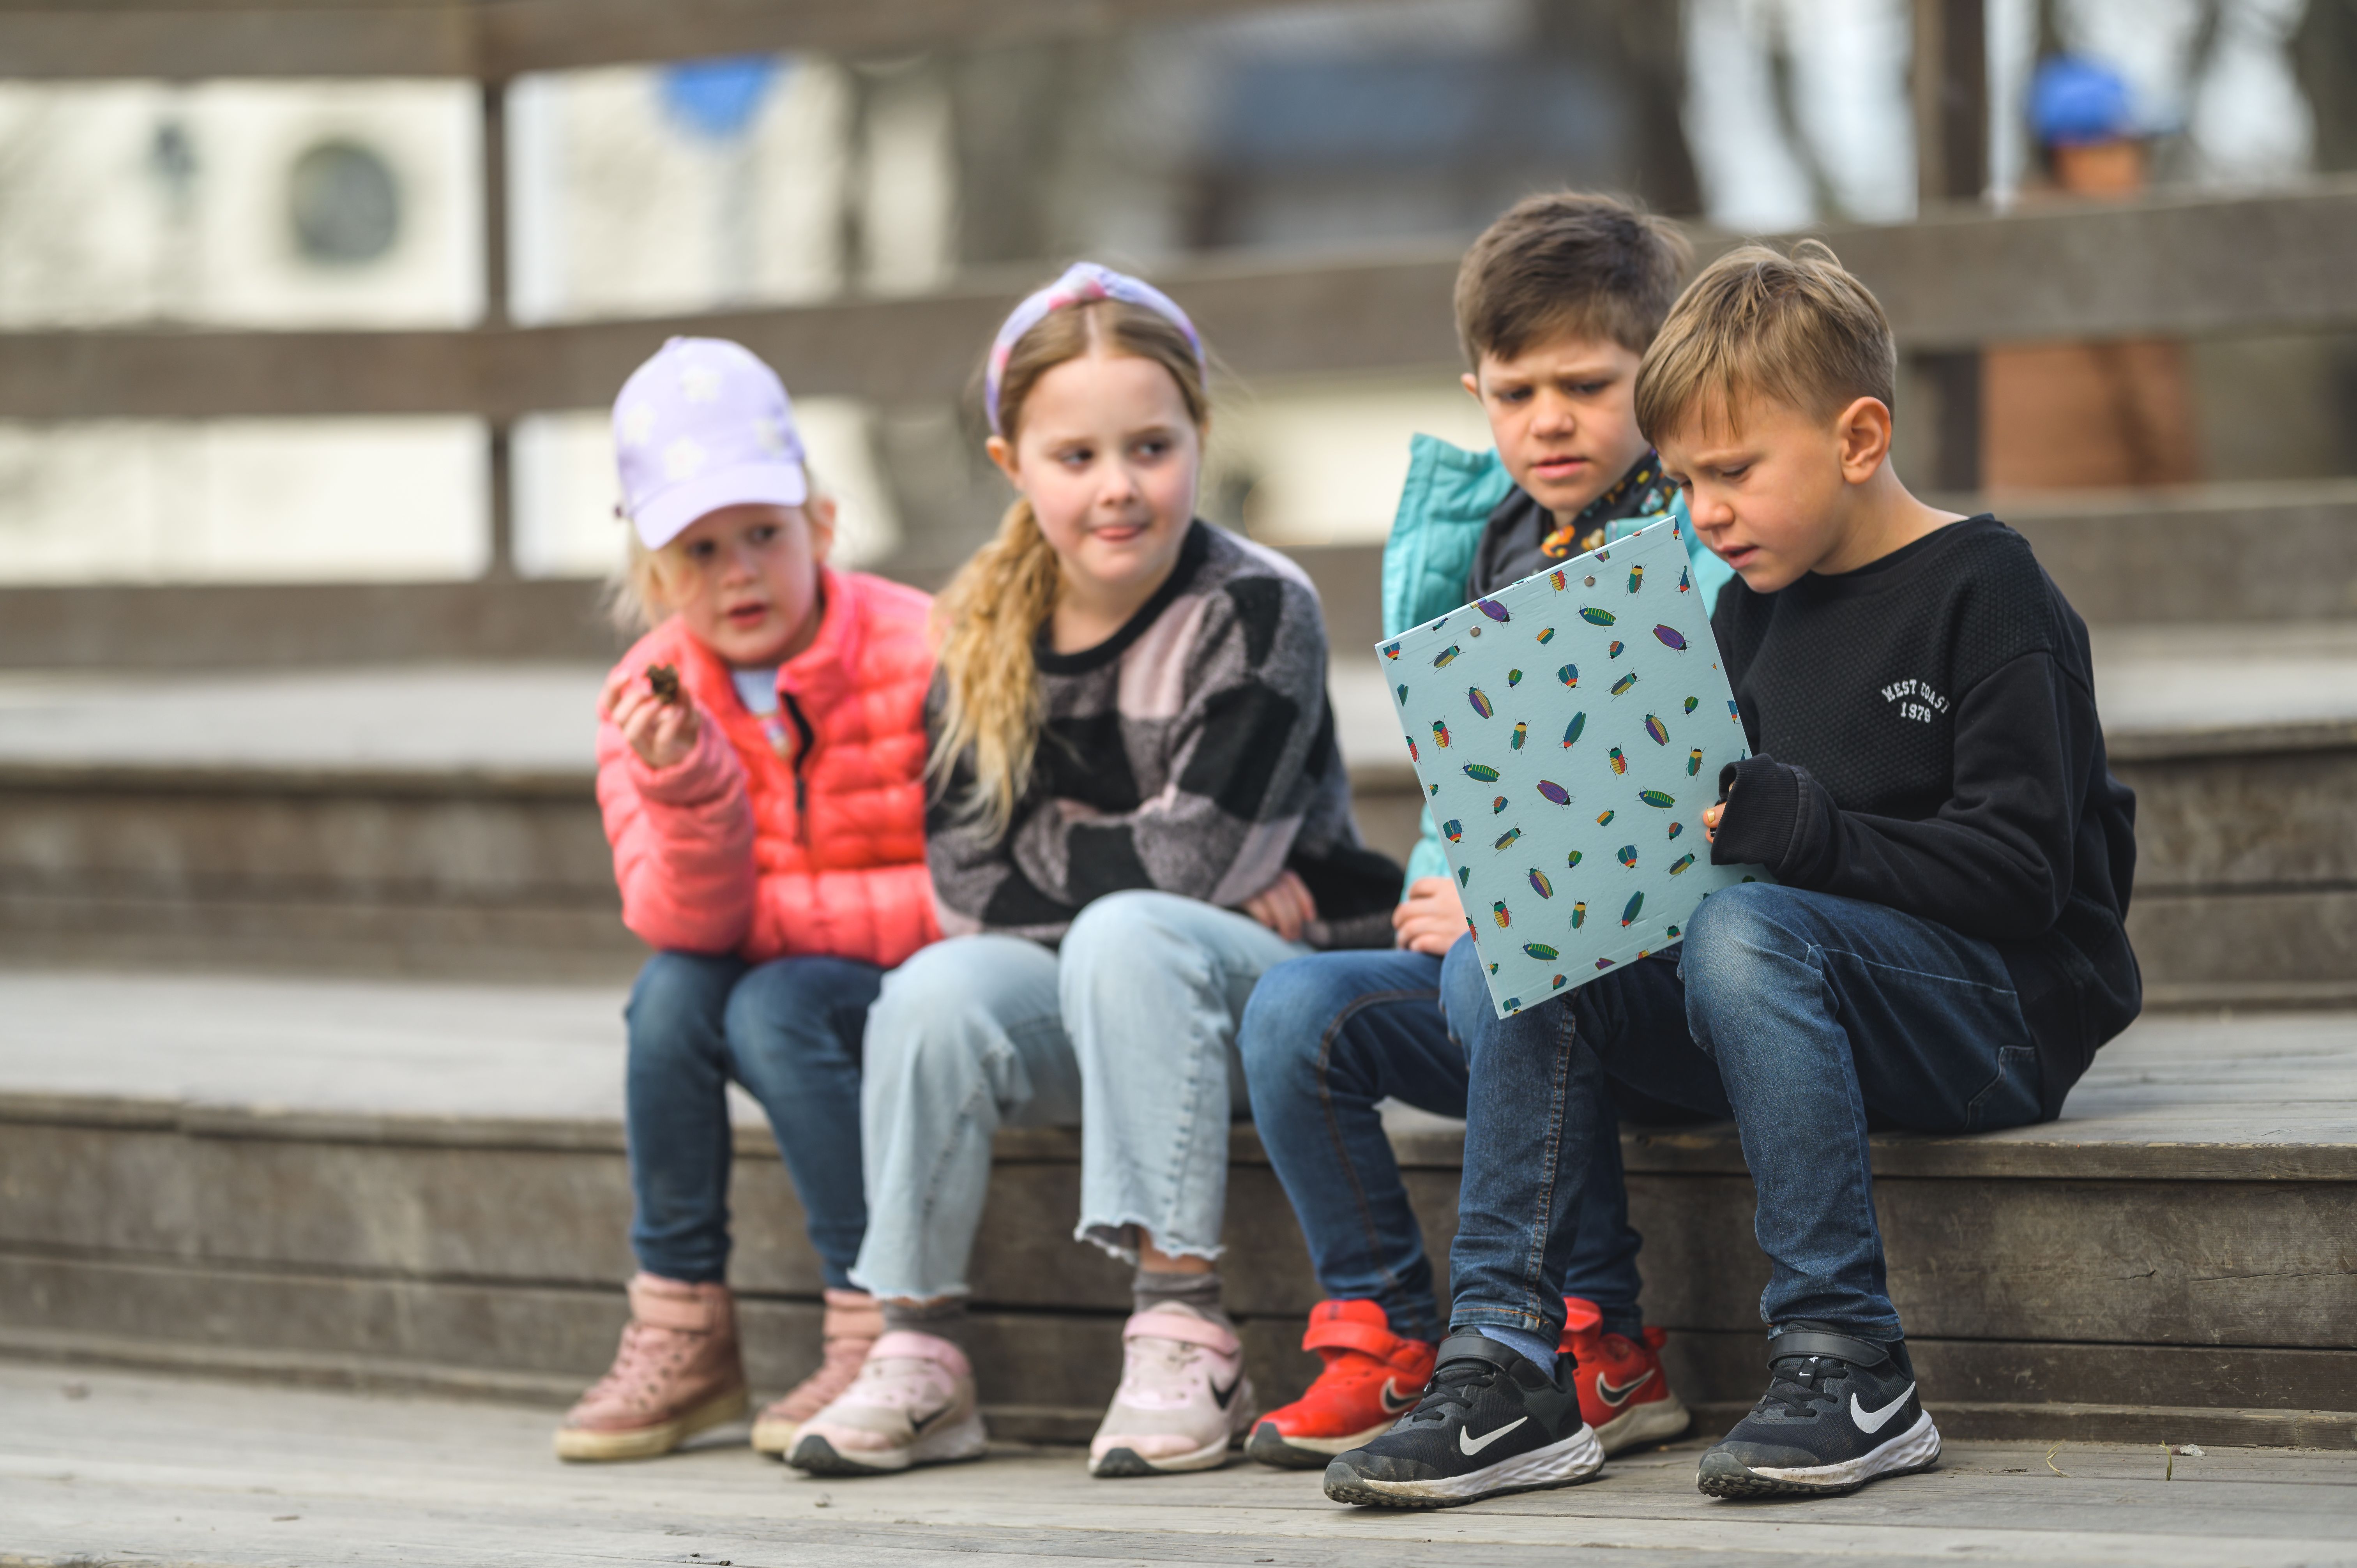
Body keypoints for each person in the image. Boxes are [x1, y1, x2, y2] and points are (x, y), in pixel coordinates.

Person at [1324, 240, 2139, 1508]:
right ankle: (1511, 1364)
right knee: (1514, 954)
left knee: (1750, 930)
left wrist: (1806, 836)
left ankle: (1849, 1358)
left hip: (1995, 1022)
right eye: (1687, 478)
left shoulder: (1989, 590)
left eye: (1735, 472)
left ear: (1859, 437)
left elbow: (2026, 879)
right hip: (1789, 1001)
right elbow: (1701, 860)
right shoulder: (1747, 610)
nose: (1701, 512)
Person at [784, 263, 1400, 1481]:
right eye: (1076, 458)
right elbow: (968, 888)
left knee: (1132, 930)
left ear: (1199, 438)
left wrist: (1083, 854)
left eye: (1151, 447)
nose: (1118, 487)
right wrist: (1160, 878)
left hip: (1262, 1000)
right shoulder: (978, 630)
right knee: (938, 985)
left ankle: (1186, 1326)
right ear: (1013, 465)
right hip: (1099, 1005)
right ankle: (917, 1347)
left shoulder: (1256, 609)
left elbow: (1198, 856)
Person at [1236, 192, 1728, 1474]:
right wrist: (1455, 877)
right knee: (1299, 1014)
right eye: (1515, 392)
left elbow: (1695, 785)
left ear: (1661, 374)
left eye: (1586, 383)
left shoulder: (1705, 531)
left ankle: (1599, 1340)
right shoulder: (1479, 543)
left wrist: (1508, 906)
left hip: (1664, 971)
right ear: (1476, 390)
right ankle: (1391, 1335)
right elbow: (1478, 775)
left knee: (1503, 964)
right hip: (1498, 955)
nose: (1547, 420)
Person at [555, 338, 939, 1462]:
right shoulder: (644, 700)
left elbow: (979, 890)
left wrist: (782, 928)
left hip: (916, 979)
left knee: (769, 1003)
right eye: (699, 549)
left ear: (820, 525)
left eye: (764, 534)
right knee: (673, 995)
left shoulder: (925, 648)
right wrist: (689, 784)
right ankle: (686, 1329)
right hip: (769, 967)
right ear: (655, 579)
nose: (739, 572)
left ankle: (877, 1318)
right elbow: (683, 923)